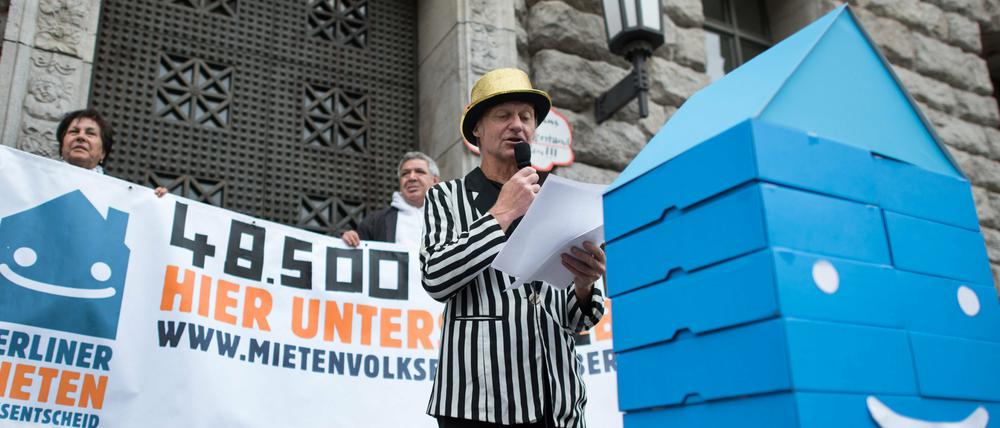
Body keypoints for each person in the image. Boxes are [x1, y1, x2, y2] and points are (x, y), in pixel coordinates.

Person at [421, 68, 607, 428]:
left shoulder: (558, 197)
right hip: (479, 402)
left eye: (526, 116)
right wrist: (502, 211)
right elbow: (436, 278)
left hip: (557, 402)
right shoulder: (445, 196)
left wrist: (584, 285)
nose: (517, 125)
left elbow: (580, 320)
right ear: (477, 128)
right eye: (503, 115)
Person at [56, 109, 167, 196]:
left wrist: (158, 201)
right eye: (74, 132)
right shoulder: (40, 179)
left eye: (90, 134)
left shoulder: (123, 194)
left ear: (103, 152)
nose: (81, 137)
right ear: (62, 145)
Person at [340, 151, 441, 248]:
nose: (411, 177)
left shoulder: (452, 218)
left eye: (419, 172)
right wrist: (348, 241)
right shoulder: (376, 222)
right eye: (405, 173)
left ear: (435, 181)